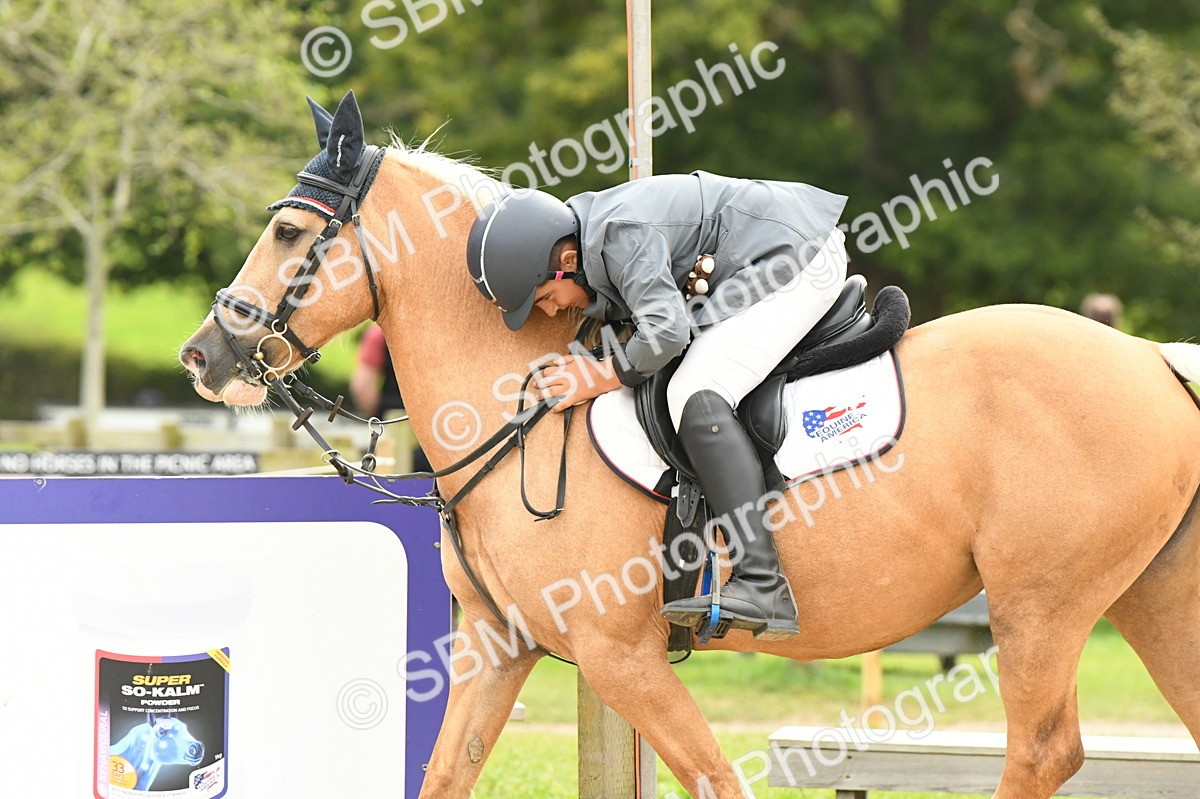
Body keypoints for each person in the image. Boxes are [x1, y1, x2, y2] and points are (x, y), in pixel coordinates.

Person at [465, 171, 850, 641]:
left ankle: (762, 583)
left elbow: (666, 332)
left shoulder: (618, 234)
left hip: (797, 256)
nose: (550, 311)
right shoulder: (594, 238)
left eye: (545, 297)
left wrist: (600, 376)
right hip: (766, 252)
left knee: (696, 391)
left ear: (567, 261)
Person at [350, 323, 432, 472]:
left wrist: (378, 418)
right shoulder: (447, 326)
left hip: (392, 428)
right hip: (442, 429)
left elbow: (362, 389)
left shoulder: (379, 332)